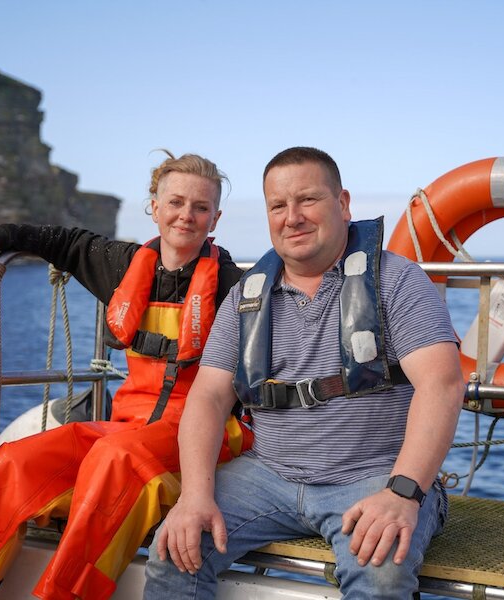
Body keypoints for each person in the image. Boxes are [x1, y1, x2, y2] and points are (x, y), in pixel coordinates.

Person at [0, 151, 252, 600]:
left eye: (200, 207)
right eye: (176, 202)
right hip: (126, 429)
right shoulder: (121, 264)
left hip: (201, 436)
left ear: (215, 217)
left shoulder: (237, 287)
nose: (186, 215)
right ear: (154, 205)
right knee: (9, 463)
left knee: (115, 458)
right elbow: (59, 241)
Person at [144, 147, 465, 599]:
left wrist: (403, 492)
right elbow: (208, 398)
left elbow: (443, 385)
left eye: (308, 200)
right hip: (266, 477)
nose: (292, 217)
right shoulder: (245, 298)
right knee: (172, 551)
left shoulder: (396, 280)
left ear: (343, 203)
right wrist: (195, 495)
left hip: (375, 476)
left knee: (380, 574)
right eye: (278, 205)